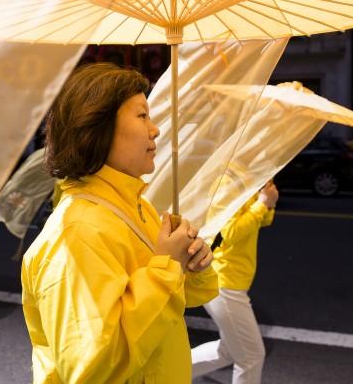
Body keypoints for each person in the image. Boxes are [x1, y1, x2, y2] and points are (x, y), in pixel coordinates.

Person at [21, 63, 218, 383]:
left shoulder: (137, 206)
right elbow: (91, 368)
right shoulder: (76, 235)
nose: (155, 130)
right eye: (142, 116)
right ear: (97, 126)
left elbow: (181, 301)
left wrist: (193, 263)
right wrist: (166, 265)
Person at [191, 180, 279, 384]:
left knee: (229, 351)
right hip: (224, 283)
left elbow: (263, 220)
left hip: (232, 282)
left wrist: (268, 203)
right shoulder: (229, 183)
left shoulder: (250, 177)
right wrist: (263, 204)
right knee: (251, 356)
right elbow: (229, 234)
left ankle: (166, 375)